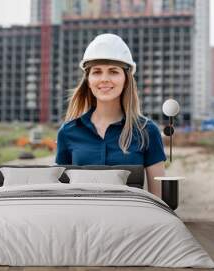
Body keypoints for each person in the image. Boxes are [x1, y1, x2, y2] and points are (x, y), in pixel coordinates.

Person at [55, 33, 166, 198]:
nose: (104, 79)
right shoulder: (68, 132)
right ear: (88, 79)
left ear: (126, 79)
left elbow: (160, 200)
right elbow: (60, 196)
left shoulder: (147, 131)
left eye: (113, 72)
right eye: (97, 72)